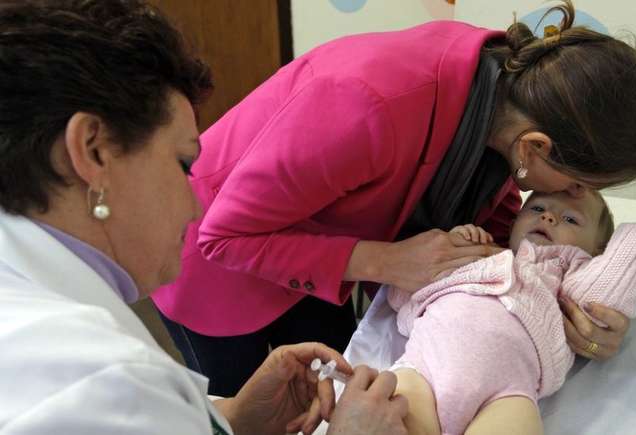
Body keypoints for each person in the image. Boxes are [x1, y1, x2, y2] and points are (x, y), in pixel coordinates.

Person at [152, 0, 636, 398]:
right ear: (535, 148)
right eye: (577, 183)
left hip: (320, 254)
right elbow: (226, 235)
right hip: (214, 261)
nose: (568, 198)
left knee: (328, 390)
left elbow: (494, 211)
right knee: (247, 406)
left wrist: (561, 301)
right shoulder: (367, 106)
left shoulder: (500, 97)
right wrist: (388, 261)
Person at [0, 1, 407, 434]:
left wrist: (229, 419)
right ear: (93, 149)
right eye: (182, 164)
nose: (194, 206)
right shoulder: (100, 382)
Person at [388, 191, 636, 435]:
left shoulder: (568, 279)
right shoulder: (480, 254)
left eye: (570, 219)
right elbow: (403, 291)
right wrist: (455, 245)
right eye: (537, 208)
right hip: (423, 370)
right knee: (392, 415)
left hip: (505, 396)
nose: (548, 217)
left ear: (599, 251)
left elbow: (607, 289)